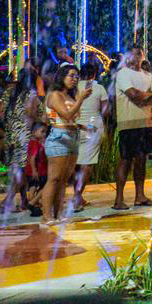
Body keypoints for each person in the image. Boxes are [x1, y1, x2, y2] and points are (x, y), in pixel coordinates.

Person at [43, 63, 90, 224]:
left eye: (77, 76)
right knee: (54, 178)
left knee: (64, 180)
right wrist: (81, 99)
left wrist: (84, 126)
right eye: (71, 75)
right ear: (62, 76)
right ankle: (46, 216)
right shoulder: (55, 95)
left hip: (73, 136)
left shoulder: (71, 97)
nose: (74, 79)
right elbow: (67, 115)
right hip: (59, 136)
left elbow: (73, 119)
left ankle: (58, 214)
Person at [112, 47, 152, 210]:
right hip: (128, 123)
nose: (137, 56)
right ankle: (118, 199)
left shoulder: (148, 75)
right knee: (125, 160)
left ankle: (140, 196)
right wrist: (147, 96)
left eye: (140, 53)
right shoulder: (123, 73)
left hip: (145, 123)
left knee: (141, 160)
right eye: (134, 54)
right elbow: (132, 94)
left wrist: (142, 97)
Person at [71, 61, 109, 210]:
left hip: (74, 126)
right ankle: (77, 195)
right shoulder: (98, 88)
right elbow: (106, 110)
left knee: (76, 163)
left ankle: (77, 196)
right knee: (87, 163)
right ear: (94, 74)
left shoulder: (73, 88)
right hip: (93, 128)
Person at [3, 68, 41, 215]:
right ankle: (7, 201)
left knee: (17, 170)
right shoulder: (30, 94)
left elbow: (1, 111)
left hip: (10, 135)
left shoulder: (9, 92)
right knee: (21, 172)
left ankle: (24, 200)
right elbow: (31, 115)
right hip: (24, 136)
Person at [24, 122, 49, 216]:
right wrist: (35, 170)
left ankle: (33, 206)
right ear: (34, 132)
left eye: (45, 132)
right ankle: (32, 203)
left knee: (32, 188)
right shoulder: (35, 144)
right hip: (37, 171)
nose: (44, 134)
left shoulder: (32, 142)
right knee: (46, 186)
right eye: (42, 132)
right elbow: (32, 158)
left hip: (30, 171)